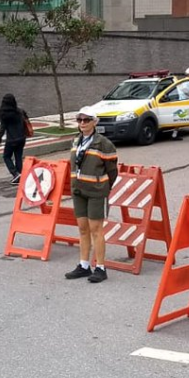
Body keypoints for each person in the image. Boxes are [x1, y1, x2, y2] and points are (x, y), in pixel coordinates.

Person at [64, 106, 118, 283]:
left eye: (86, 120)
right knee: (82, 228)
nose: (82, 123)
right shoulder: (76, 141)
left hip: (96, 191)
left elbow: (112, 171)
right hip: (78, 190)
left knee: (96, 229)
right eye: (79, 120)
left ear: (94, 122)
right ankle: (84, 265)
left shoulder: (103, 144)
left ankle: (100, 267)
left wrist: (102, 186)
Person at [0, 93, 28, 184]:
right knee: (18, 156)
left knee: (6, 156)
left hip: (11, 139)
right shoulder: (20, 111)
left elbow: (3, 128)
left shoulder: (4, 114)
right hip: (22, 138)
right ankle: (19, 175)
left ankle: (15, 173)